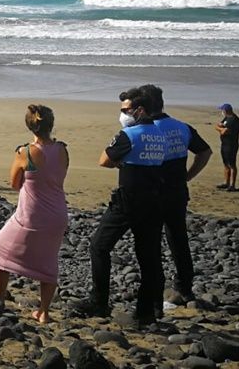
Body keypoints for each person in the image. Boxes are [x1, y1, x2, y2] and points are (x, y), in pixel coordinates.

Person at [71, 86, 167, 327]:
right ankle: (146, 311)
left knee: (99, 246)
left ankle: (99, 301)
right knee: (148, 258)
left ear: (140, 110)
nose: (123, 114)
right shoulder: (159, 134)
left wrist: (122, 162)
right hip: (154, 200)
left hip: (128, 201)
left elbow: (104, 160)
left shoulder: (129, 135)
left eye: (126, 109)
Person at [0, 105, 70, 324]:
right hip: (58, 213)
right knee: (48, 261)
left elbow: (15, 184)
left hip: (32, 213)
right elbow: (59, 176)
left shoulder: (25, 152)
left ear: (29, 126)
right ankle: (44, 311)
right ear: (51, 125)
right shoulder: (62, 149)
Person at [144, 86, 210, 303]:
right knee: (178, 239)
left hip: (153, 192)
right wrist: (188, 176)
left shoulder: (146, 130)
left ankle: (155, 289)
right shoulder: (182, 127)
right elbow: (205, 151)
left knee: (151, 242)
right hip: (177, 191)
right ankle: (184, 286)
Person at [215, 103, 239, 191]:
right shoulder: (227, 118)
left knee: (232, 164)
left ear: (225, 111)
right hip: (224, 144)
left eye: (222, 110)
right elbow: (217, 126)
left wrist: (221, 129)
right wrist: (221, 128)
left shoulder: (234, 120)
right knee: (226, 164)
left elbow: (224, 132)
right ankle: (226, 183)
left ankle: (233, 185)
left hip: (231, 145)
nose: (222, 112)